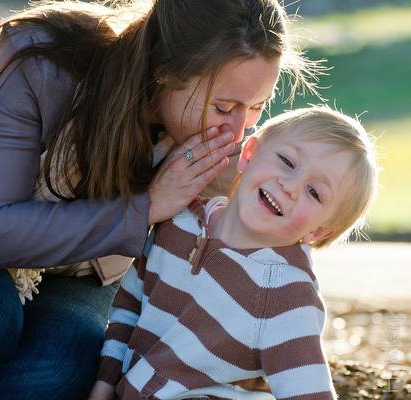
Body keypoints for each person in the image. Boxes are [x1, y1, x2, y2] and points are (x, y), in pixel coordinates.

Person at [0, 0, 317, 398]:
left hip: (84, 270)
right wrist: (148, 207)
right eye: (224, 107)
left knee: (64, 365)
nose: (238, 130)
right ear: (163, 73)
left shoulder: (221, 145)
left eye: (256, 108)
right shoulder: (43, 61)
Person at [91, 106, 378, 400]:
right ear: (249, 154)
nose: (290, 186)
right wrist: (104, 386)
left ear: (317, 232)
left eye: (314, 192)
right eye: (287, 161)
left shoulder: (286, 295)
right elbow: (128, 308)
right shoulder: (180, 222)